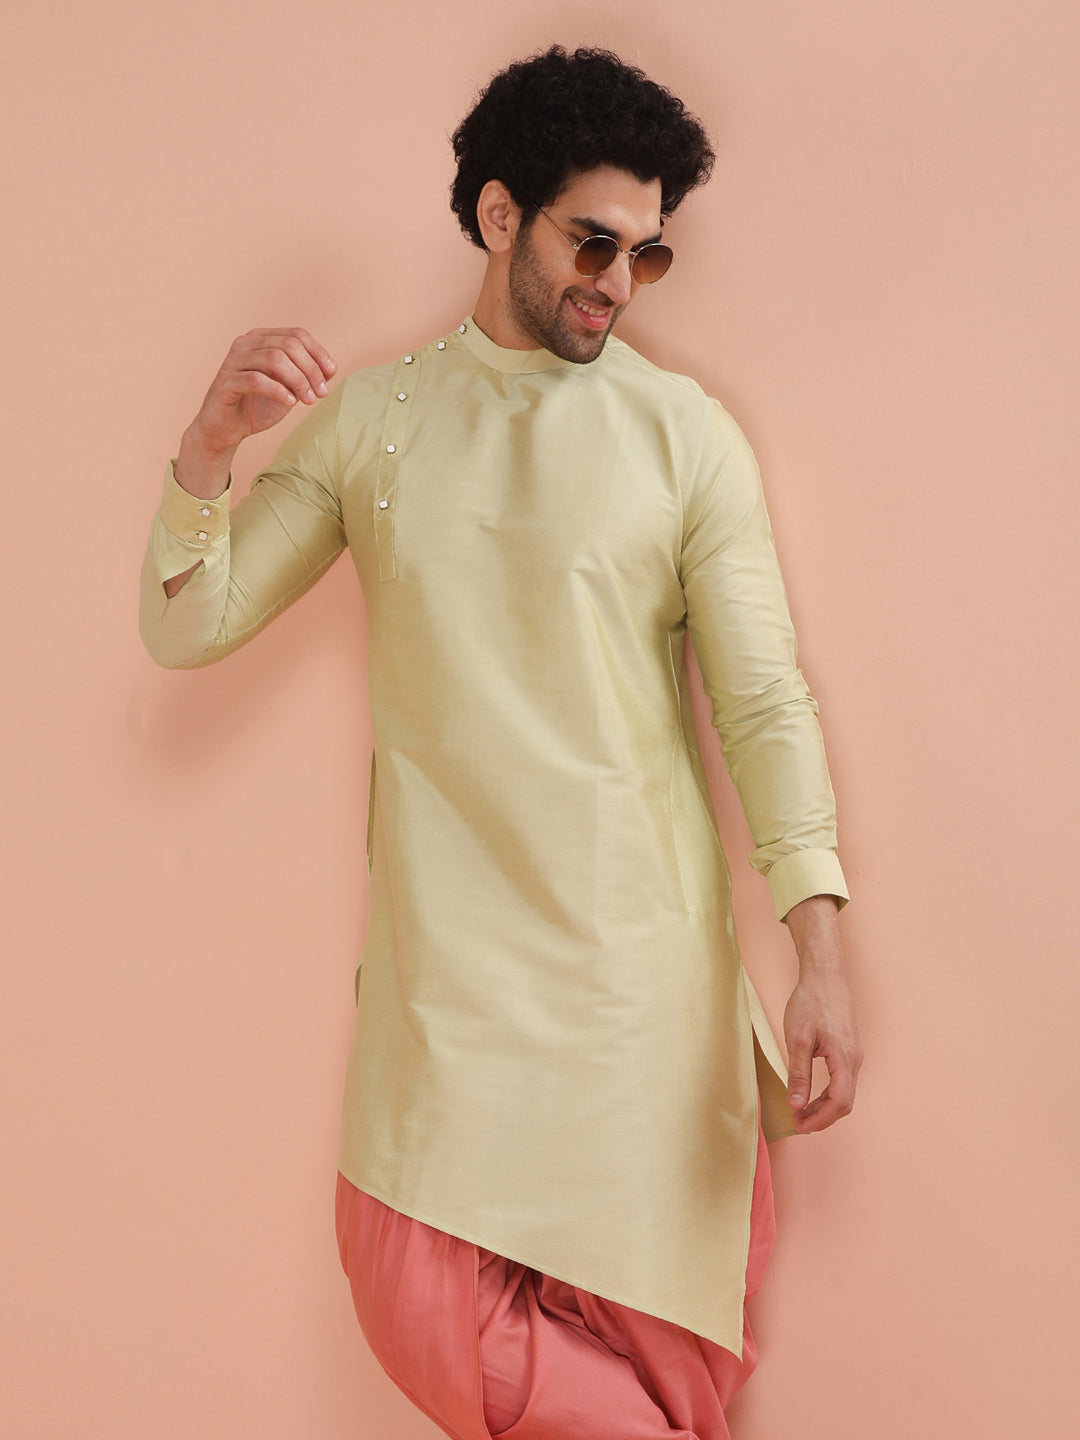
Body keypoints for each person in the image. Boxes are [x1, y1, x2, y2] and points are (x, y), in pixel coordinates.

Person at [139, 43, 862, 1440]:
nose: (619, 281)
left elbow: (764, 701)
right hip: (448, 997)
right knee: (412, 1302)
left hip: (643, 1006)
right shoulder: (373, 425)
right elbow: (189, 623)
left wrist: (818, 948)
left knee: (658, 1375)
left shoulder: (683, 436)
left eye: (649, 254)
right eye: (593, 241)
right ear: (496, 213)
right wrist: (207, 451)